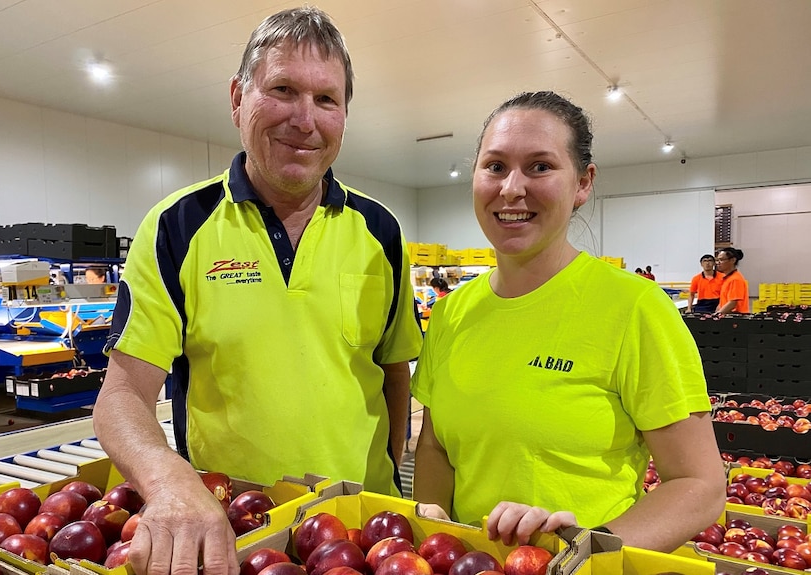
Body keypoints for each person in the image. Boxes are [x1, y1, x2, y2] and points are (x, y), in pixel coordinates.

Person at [92, 8, 422, 575]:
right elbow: (121, 397)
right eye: (282, 89)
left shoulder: (380, 231)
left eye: (327, 99)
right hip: (234, 530)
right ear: (237, 98)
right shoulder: (178, 226)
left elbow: (393, 370)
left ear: (345, 114)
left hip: (365, 532)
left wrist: (389, 473)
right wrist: (172, 483)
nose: (304, 118)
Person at [411, 91, 724, 554]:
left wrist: (581, 552)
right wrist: (432, 525)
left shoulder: (635, 308)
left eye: (540, 166)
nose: (511, 188)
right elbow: (436, 444)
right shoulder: (453, 311)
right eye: (495, 166)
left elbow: (699, 484)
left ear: (583, 182)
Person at [714, 247, 750, 314]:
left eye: (721, 260)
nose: (717, 263)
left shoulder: (735, 279)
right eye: (717, 260)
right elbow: (725, 301)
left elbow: (733, 303)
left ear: (732, 260)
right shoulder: (727, 278)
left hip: (736, 317)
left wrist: (718, 314)